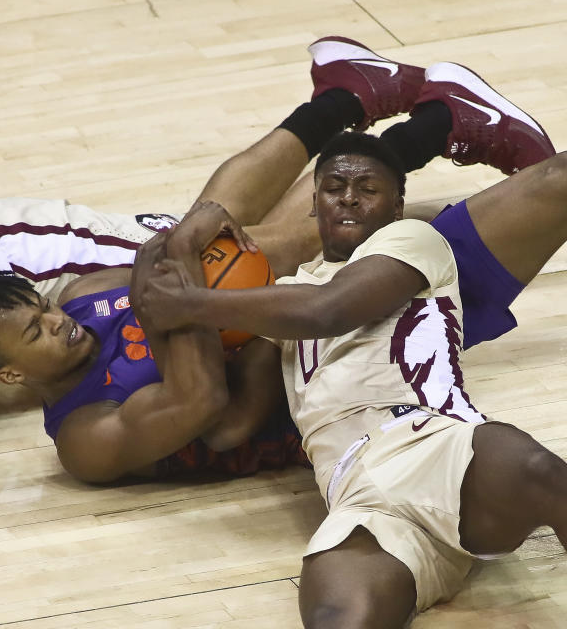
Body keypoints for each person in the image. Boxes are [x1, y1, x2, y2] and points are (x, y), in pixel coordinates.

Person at [0, 40, 559, 485]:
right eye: (36, 332)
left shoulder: (84, 298)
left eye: (43, 309)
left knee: (233, 234)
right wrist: (181, 289)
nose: (57, 322)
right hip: (353, 373)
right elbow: (214, 413)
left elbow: (197, 259)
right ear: (12, 375)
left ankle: (426, 117)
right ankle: (401, 108)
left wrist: (189, 245)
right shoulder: (84, 439)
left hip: (310, 301)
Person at [132, 131, 567, 625]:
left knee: (539, 470)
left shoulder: (414, 241)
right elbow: (227, 426)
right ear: (314, 205)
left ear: (397, 205)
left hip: (433, 440)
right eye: (334, 186)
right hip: (355, 494)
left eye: (368, 188)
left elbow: (329, 310)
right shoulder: (284, 301)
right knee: (336, 617)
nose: (349, 197)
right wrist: (168, 290)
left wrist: (191, 304)